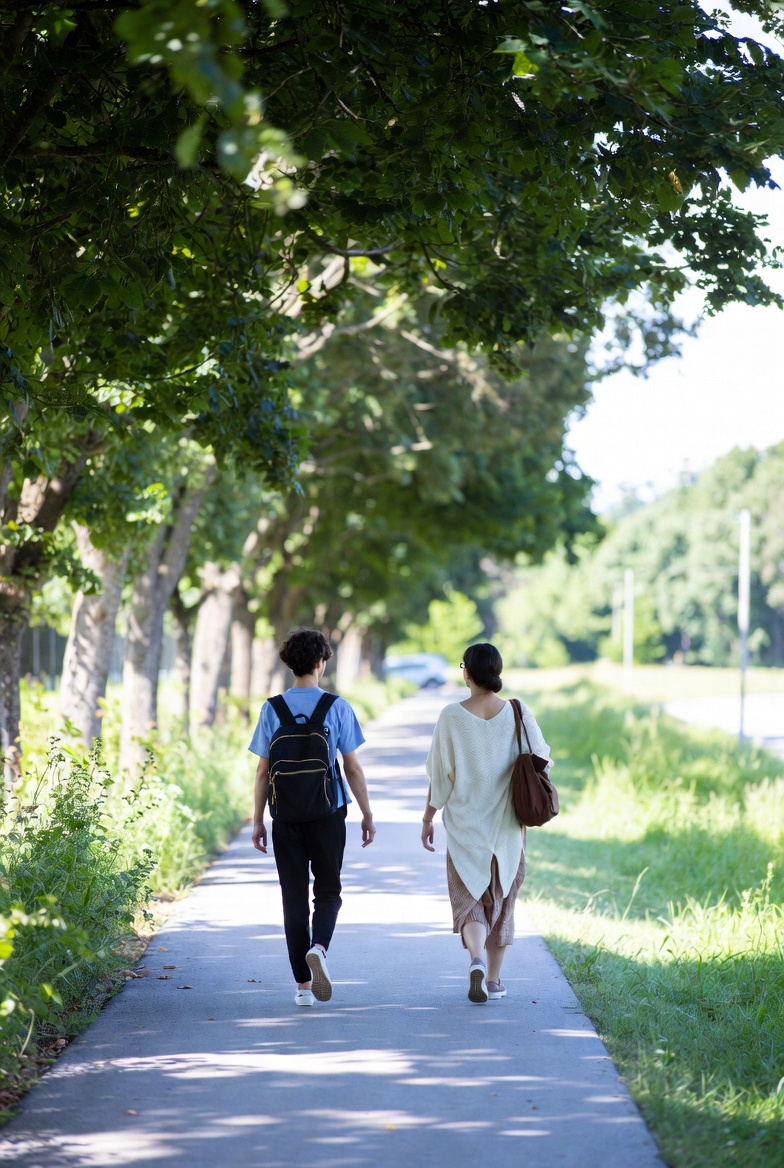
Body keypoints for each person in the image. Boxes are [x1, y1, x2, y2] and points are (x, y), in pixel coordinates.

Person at [250, 627, 376, 1007]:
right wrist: (367, 813)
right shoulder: (338, 707)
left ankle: (303, 987)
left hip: (285, 816)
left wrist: (257, 820)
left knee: (293, 897)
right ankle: (319, 947)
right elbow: (351, 768)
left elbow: (261, 772)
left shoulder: (272, 709)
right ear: (321, 663)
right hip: (328, 814)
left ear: (290, 664)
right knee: (328, 891)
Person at [421, 642, 550, 1003]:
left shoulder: (451, 716)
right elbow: (542, 761)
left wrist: (428, 817)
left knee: (470, 899)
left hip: (465, 827)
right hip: (508, 828)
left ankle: (475, 958)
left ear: (467, 673)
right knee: (503, 899)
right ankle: (493, 980)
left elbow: (440, 776)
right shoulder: (518, 711)